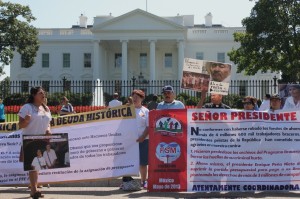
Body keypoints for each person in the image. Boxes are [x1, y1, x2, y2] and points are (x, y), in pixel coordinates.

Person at [18, 86, 52, 198]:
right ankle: (34, 189)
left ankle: (34, 189)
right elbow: (21, 125)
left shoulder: (46, 108)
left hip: (42, 140)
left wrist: (48, 130)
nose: (43, 95)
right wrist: (26, 121)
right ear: (34, 95)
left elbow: (48, 123)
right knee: (32, 166)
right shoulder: (27, 107)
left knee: (37, 166)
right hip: (29, 140)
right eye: (40, 93)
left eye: (44, 93)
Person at [121, 90, 149, 189]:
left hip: (143, 140)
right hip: (129, 141)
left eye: (137, 97)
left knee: (143, 162)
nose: (135, 99)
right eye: (134, 97)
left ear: (142, 98)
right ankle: (126, 181)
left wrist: (143, 137)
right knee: (127, 161)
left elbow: (148, 126)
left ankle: (144, 181)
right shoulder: (127, 109)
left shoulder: (145, 111)